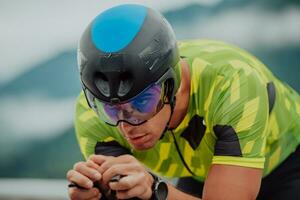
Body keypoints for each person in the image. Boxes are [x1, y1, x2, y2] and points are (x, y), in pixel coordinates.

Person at [66, 4, 300, 200]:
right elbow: (130, 192)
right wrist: (103, 194)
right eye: (111, 110)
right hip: (202, 171)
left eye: (141, 103)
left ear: (170, 86)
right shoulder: (90, 115)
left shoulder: (232, 84)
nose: (127, 125)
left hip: (288, 161)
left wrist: (155, 189)